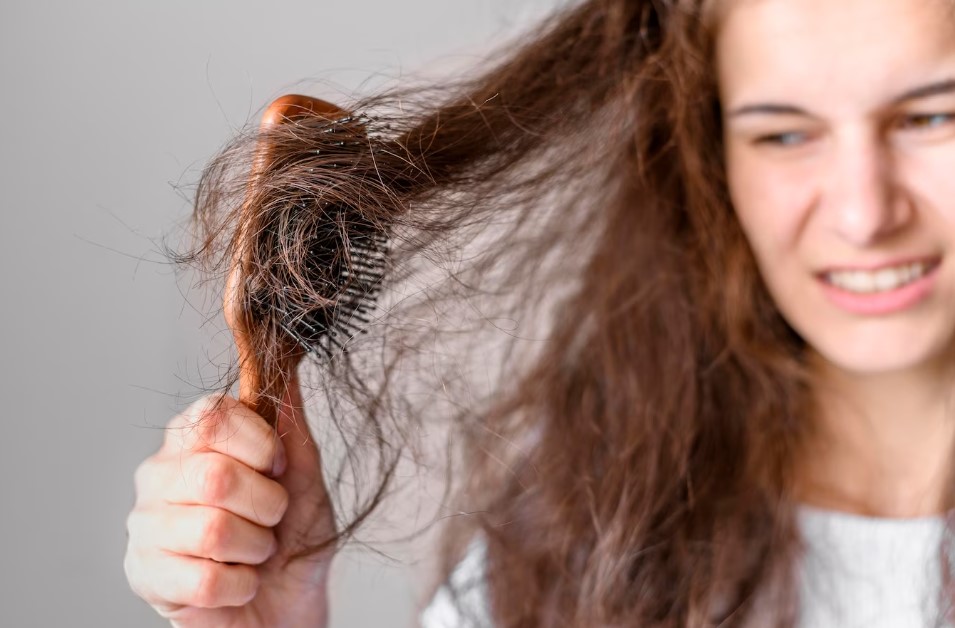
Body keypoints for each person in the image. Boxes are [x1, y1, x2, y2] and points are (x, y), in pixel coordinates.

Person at [123, 0, 955, 625]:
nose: (862, 213)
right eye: (782, 134)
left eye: (930, 117)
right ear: (711, 161)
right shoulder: (582, 536)